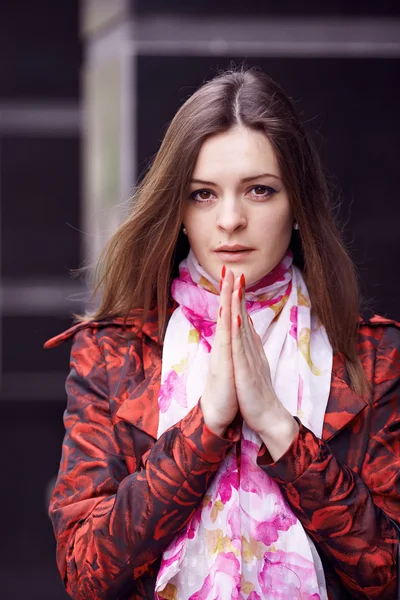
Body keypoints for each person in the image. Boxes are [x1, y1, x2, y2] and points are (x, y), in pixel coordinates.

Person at [45, 67, 400, 600]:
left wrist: (279, 427)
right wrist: (205, 427)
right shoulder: (114, 353)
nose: (231, 219)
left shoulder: (371, 356)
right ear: (179, 211)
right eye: (204, 194)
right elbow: (85, 572)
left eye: (259, 190)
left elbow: (386, 571)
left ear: (298, 205)